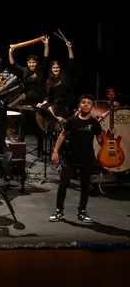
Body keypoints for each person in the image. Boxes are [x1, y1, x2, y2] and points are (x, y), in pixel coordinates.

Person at [49, 94, 102, 223]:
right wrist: (55, 151)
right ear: (79, 105)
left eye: (89, 103)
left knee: (85, 186)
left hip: (87, 158)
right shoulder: (72, 121)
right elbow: (62, 135)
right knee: (63, 184)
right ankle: (59, 211)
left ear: (92, 106)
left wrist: (107, 136)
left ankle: (81, 212)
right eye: (83, 102)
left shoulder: (95, 123)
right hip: (70, 158)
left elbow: (101, 141)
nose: (86, 104)